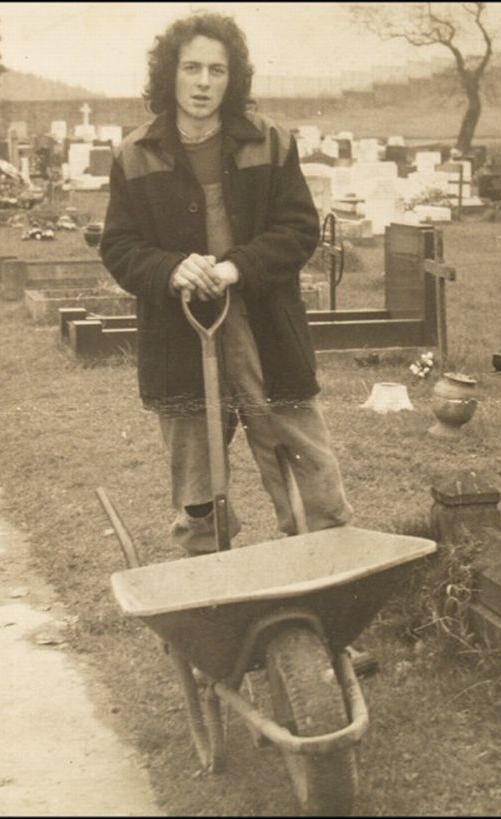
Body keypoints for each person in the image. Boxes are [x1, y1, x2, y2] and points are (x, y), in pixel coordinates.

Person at [100, 11, 353, 555]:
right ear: (169, 74)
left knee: (307, 470)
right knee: (198, 487)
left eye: (217, 70)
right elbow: (119, 246)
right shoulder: (135, 154)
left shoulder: (271, 143)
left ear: (232, 78)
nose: (203, 83)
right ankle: (211, 597)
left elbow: (299, 228)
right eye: (191, 68)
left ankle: (324, 582)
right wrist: (170, 269)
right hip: (181, 334)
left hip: (267, 330)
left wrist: (238, 266)